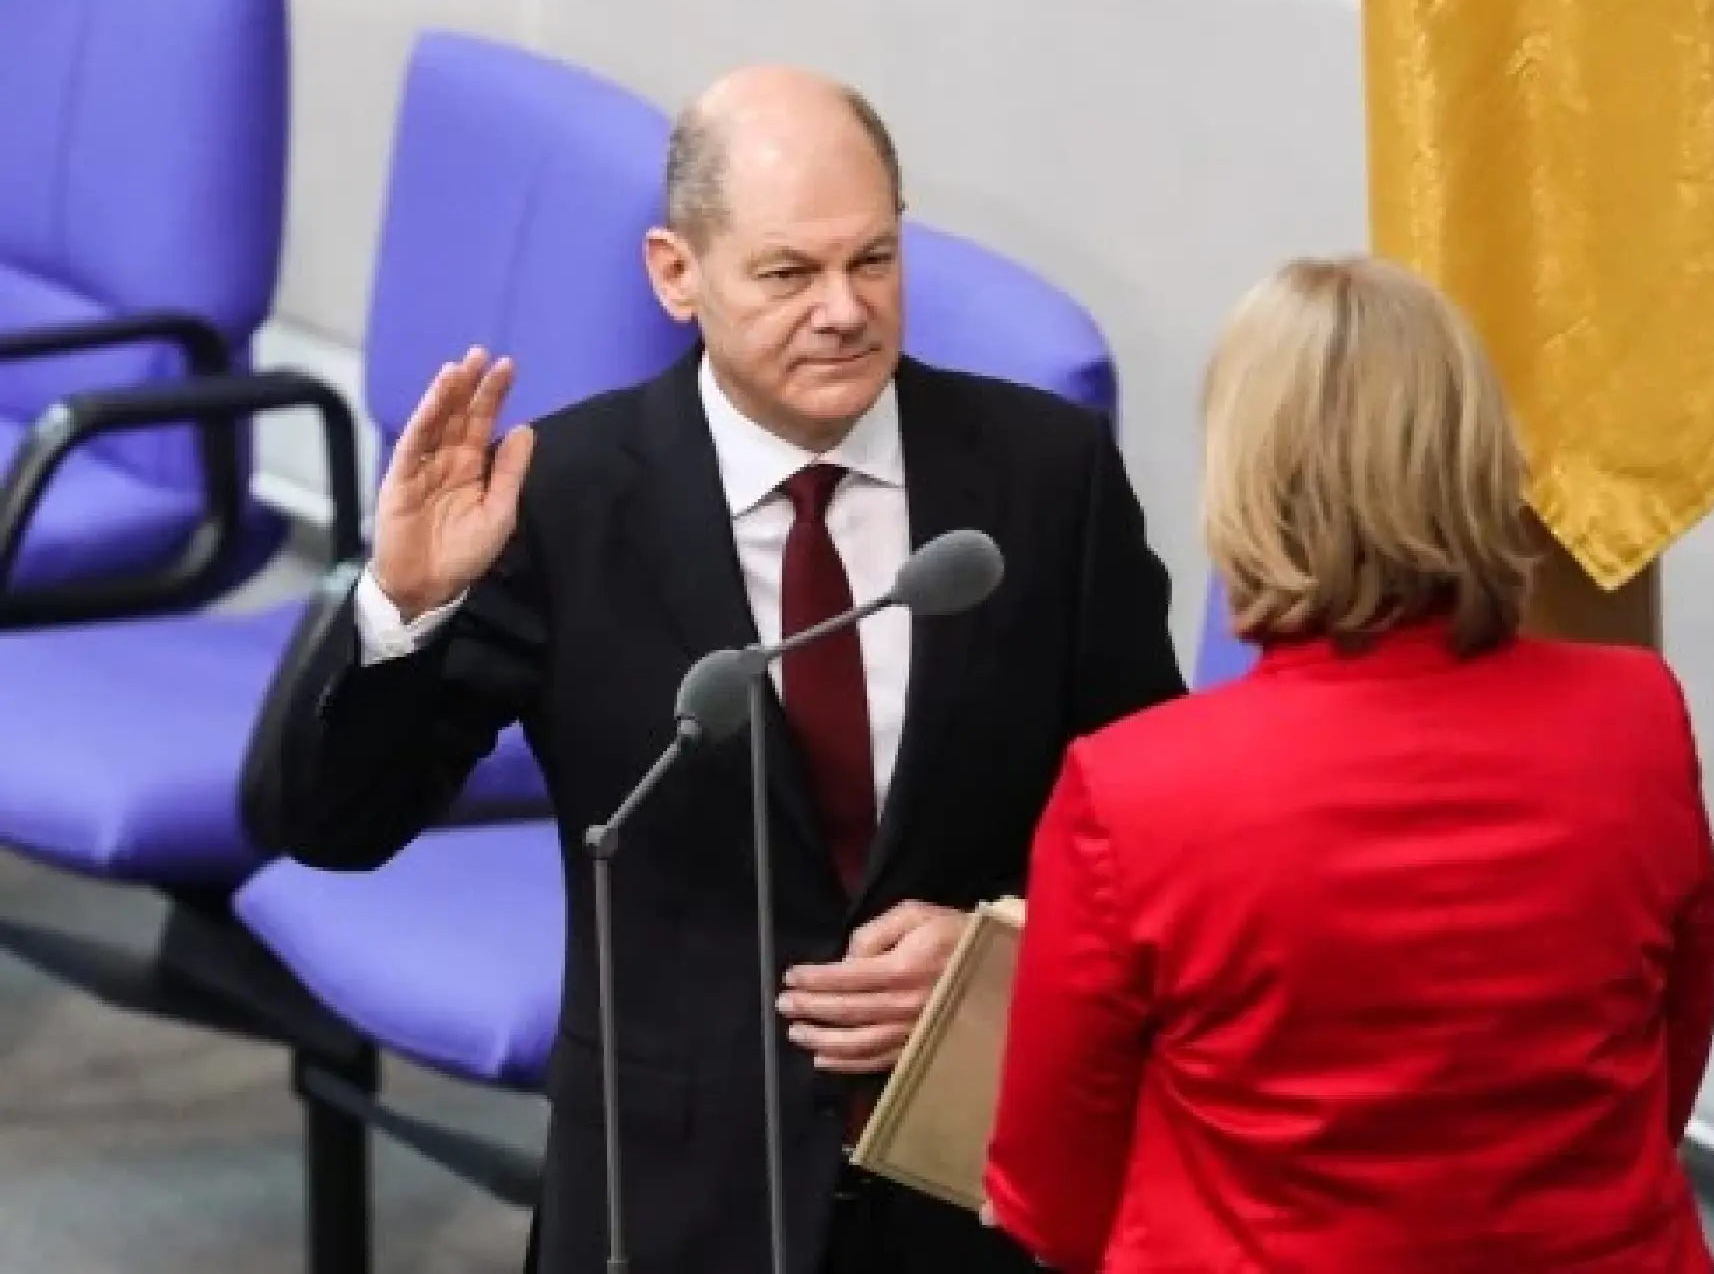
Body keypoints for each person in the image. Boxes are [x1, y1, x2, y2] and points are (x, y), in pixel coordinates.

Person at [252, 66, 1185, 1273]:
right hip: (671, 1189)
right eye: (789, 273)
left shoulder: (1043, 479)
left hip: (972, 1188)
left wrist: (1006, 950)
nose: (845, 310)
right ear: (673, 272)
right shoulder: (564, 499)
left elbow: (1150, 838)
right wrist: (406, 606)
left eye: (875, 260)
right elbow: (336, 823)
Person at [982, 256, 1714, 1272]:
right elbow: (1662, 1079)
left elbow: (1052, 1199)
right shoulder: (1636, 718)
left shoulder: (1133, 791)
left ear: (1243, 476)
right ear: (1477, 455)